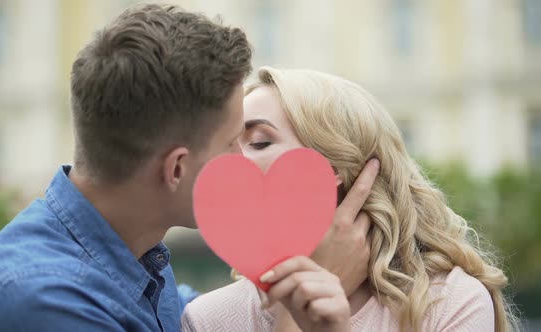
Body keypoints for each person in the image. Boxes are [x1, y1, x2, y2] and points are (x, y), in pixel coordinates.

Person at [0, 5, 377, 332]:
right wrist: (302, 310)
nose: (243, 162)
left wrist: (295, 255)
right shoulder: (43, 302)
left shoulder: (136, 258)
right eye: (233, 142)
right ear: (176, 169)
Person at [181, 67, 521, 332]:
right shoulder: (209, 318)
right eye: (228, 144)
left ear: (337, 166)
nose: (230, 163)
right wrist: (293, 319)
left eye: (258, 142)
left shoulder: (449, 303)